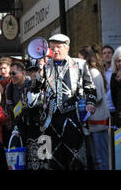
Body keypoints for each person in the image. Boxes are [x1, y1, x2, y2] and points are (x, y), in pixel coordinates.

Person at [30, 34, 97, 170]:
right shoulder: (45, 65)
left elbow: (90, 87)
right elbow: (35, 88)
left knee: (76, 158)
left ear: (67, 48)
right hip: (50, 119)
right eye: (52, 47)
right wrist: (40, 71)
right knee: (52, 160)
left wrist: (91, 102)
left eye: (59, 47)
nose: (55, 50)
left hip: (72, 116)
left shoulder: (80, 64)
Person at [78, 46, 110, 170]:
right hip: (93, 124)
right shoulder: (90, 72)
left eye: (80, 60)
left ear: (86, 60)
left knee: (100, 159)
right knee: (95, 159)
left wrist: (82, 101)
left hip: (98, 123)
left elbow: (98, 97)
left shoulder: (93, 73)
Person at [5, 62, 32, 133]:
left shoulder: (31, 85)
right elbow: (9, 105)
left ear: (23, 73)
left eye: (13, 73)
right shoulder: (9, 87)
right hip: (17, 125)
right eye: (10, 74)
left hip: (31, 123)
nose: (11, 76)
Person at [102, 46, 117, 124]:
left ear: (113, 55)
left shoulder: (117, 72)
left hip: (116, 109)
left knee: (117, 134)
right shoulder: (101, 72)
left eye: (109, 53)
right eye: (104, 53)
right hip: (105, 109)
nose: (107, 55)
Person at [110, 47, 121, 128]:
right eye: (118, 61)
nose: (120, 63)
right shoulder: (114, 76)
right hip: (118, 115)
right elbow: (114, 97)